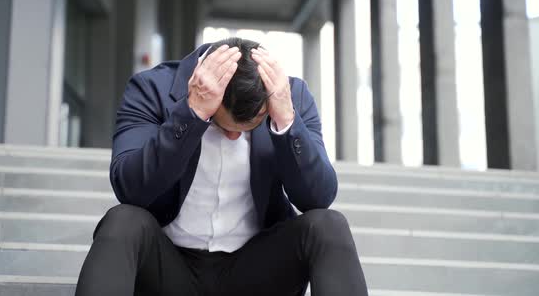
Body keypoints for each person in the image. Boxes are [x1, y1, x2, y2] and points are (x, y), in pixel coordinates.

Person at [75, 38, 368, 296]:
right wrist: (193, 114)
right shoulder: (152, 88)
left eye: (248, 128)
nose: (234, 136)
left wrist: (285, 121)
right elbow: (130, 188)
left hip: (256, 272)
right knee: (122, 220)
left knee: (330, 225)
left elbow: (318, 198)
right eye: (224, 125)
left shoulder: (291, 96)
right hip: (168, 268)